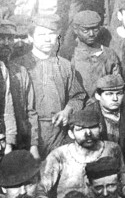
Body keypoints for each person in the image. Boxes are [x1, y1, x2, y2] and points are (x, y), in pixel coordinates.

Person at [11, 18, 77, 157]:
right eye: (41, 35)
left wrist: (66, 111)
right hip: (26, 130)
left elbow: (77, 95)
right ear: (30, 37)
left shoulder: (65, 65)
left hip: (57, 130)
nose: (47, 39)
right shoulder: (18, 66)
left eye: (51, 34)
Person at [40, 106, 123, 198]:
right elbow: (40, 190)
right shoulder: (59, 155)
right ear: (71, 133)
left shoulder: (112, 149)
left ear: (100, 128)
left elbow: (122, 183)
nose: (88, 133)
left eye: (92, 127)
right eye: (80, 129)